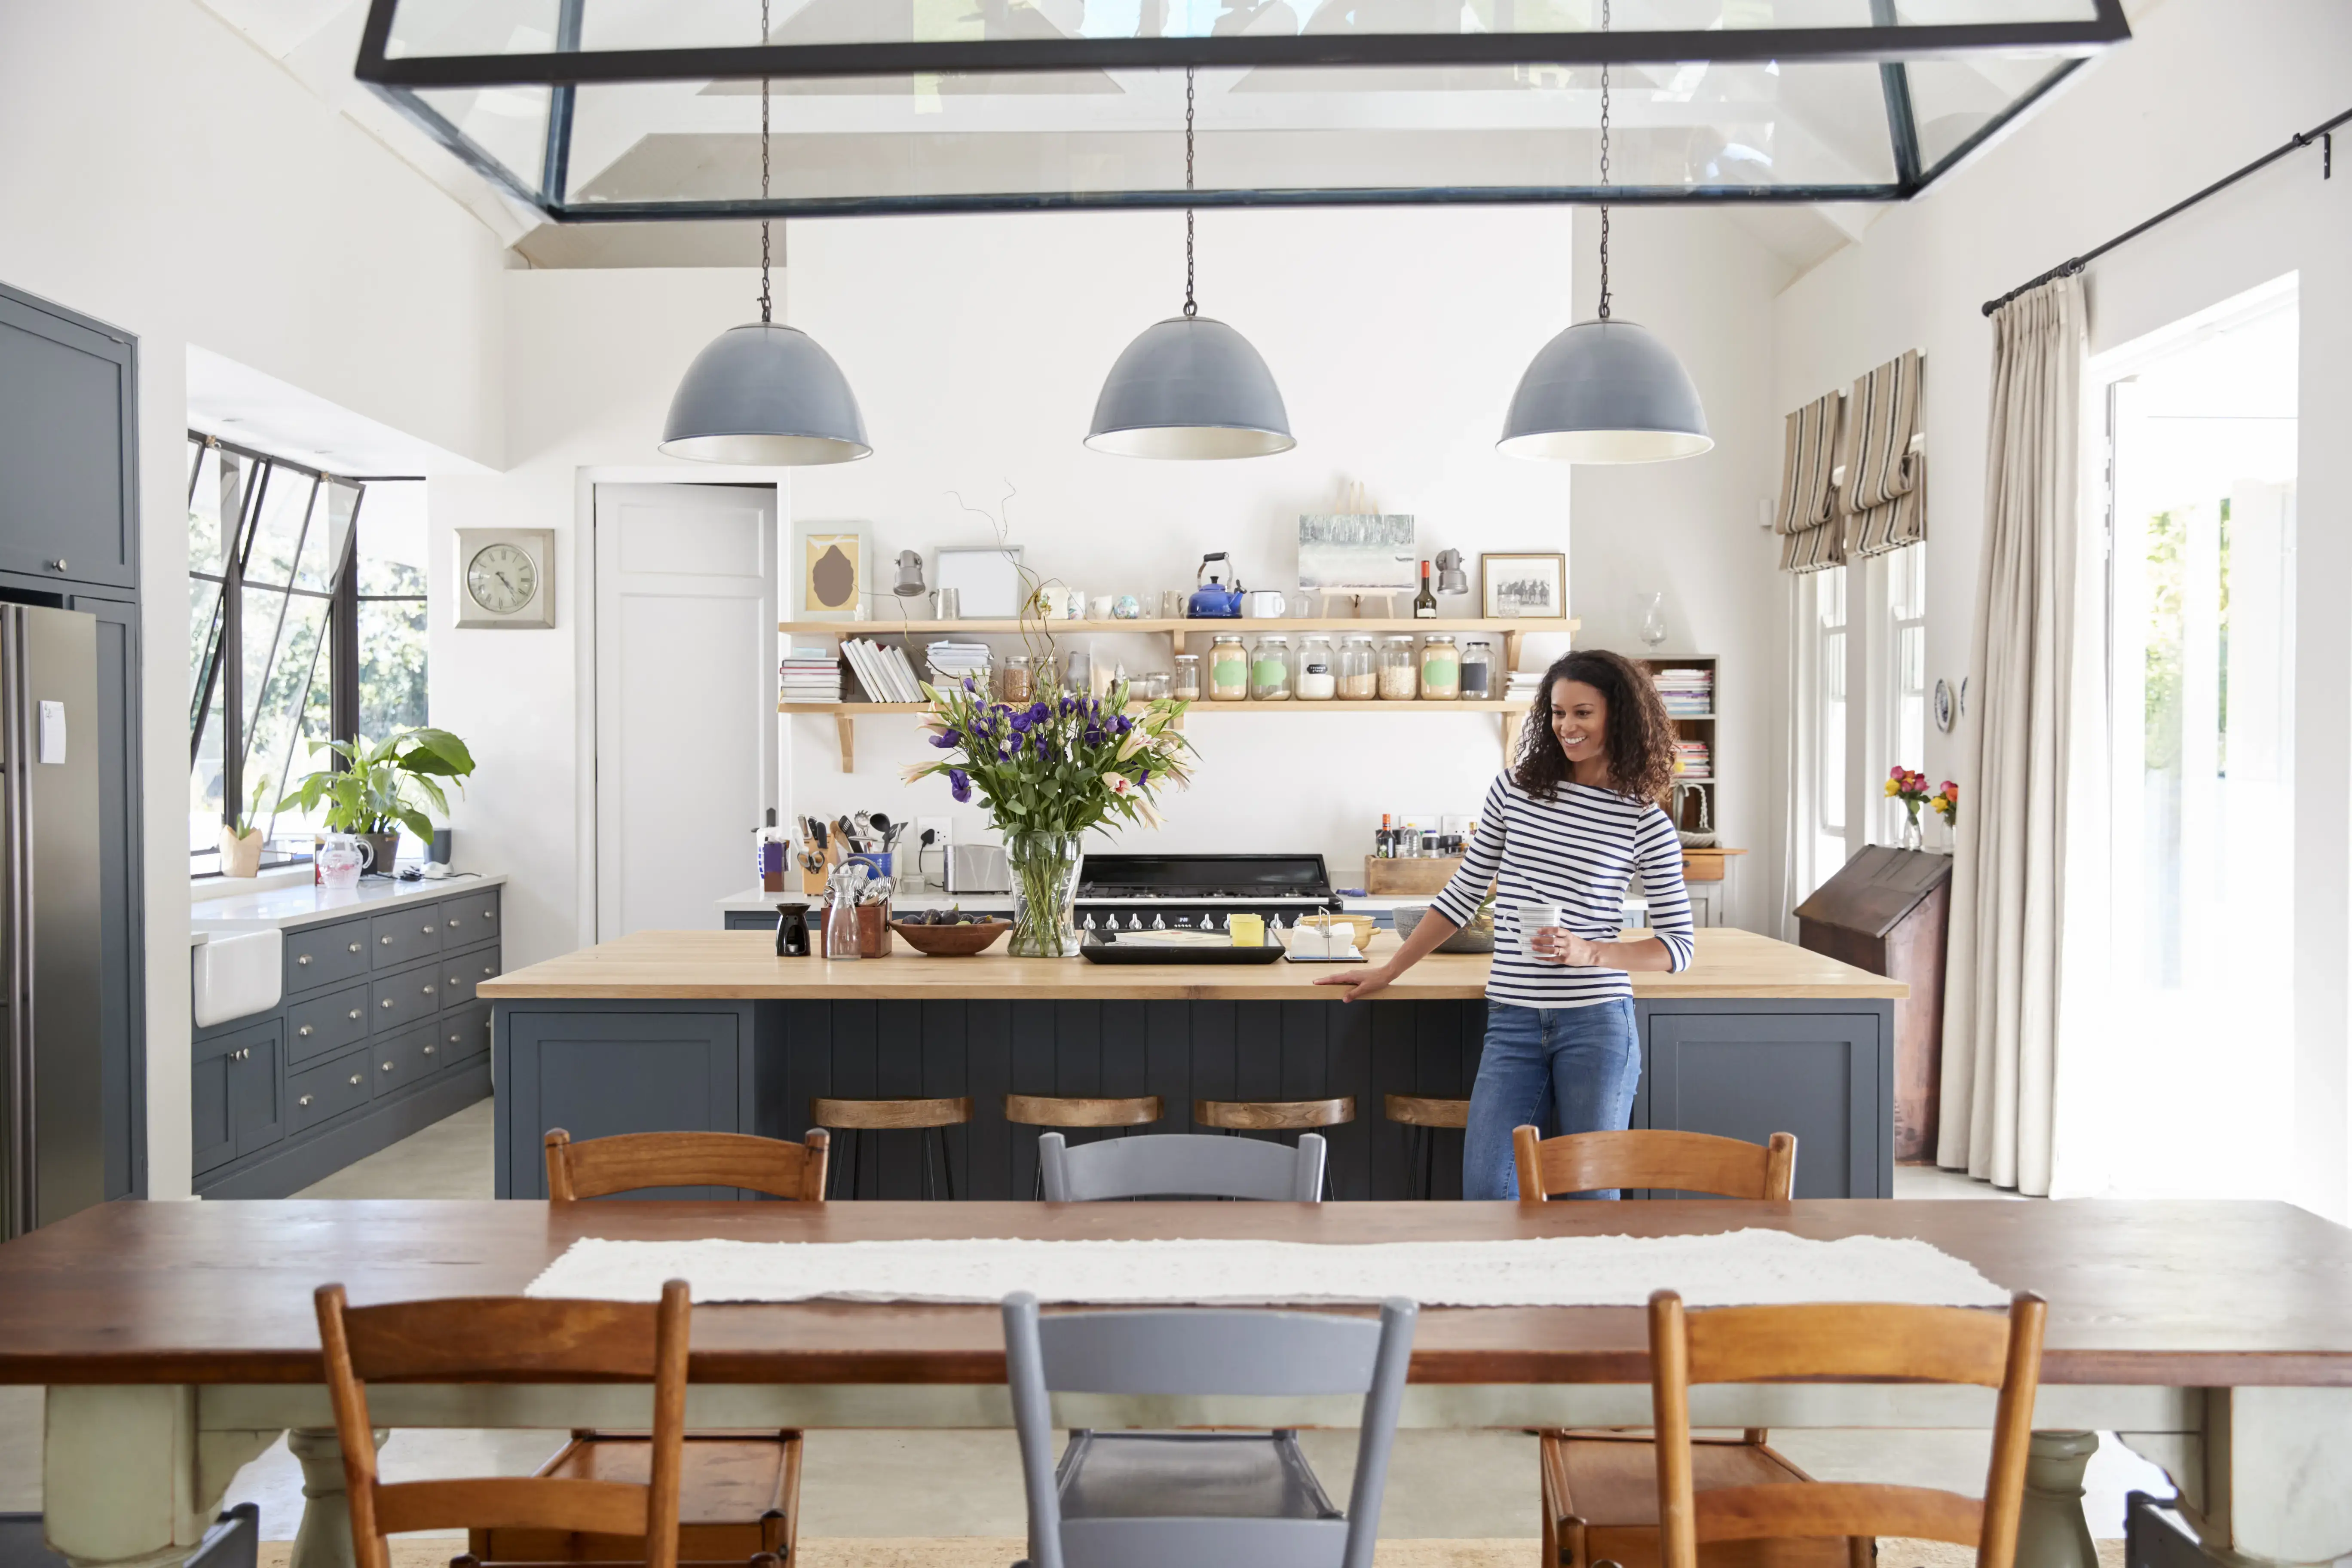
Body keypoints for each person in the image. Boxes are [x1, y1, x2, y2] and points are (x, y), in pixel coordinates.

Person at [1314, 649, 1695, 1198]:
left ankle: (1587, 1289)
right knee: (1490, 1194)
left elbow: (1677, 947)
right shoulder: (1515, 790)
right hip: (1513, 1022)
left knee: (1592, 1198)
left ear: (1621, 715)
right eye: (1559, 713)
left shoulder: (1643, 820)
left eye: (1583, 713)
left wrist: (1590, 952)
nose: (1568, 726)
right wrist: (1389, 970)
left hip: (1598, 1025)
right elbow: (1463, 894)